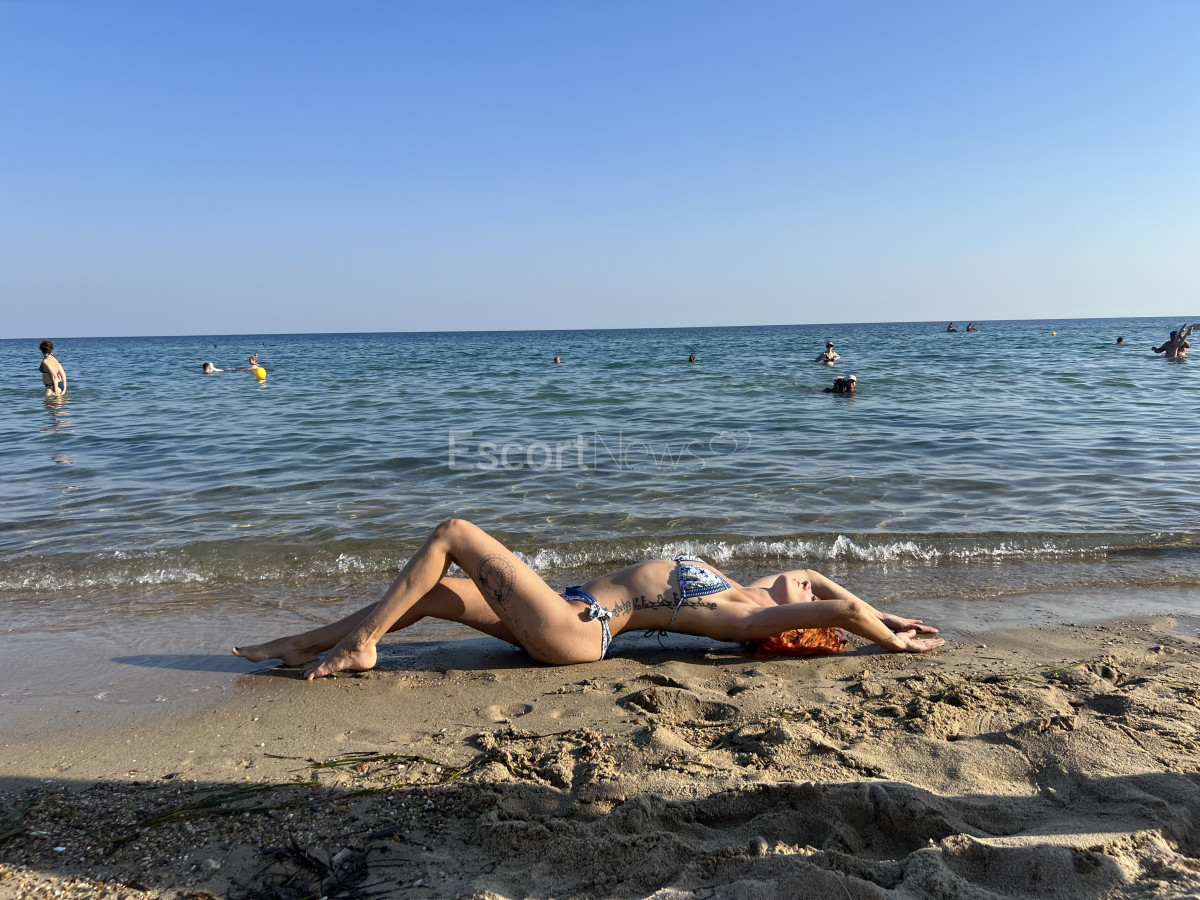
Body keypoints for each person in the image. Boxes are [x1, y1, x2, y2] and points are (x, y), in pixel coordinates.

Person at [234, 519, 943, 680]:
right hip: (564, 607)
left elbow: (840, 609)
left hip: (577, 630)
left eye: (808, 598)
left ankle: (360, 648)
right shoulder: (755, 589)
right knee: (433, 593)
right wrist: (891, 613)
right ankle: (306, 644)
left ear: (792, 626)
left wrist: (890, 638)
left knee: (453, 533)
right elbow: (828, 586)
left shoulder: (749, 617)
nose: (810, 581)